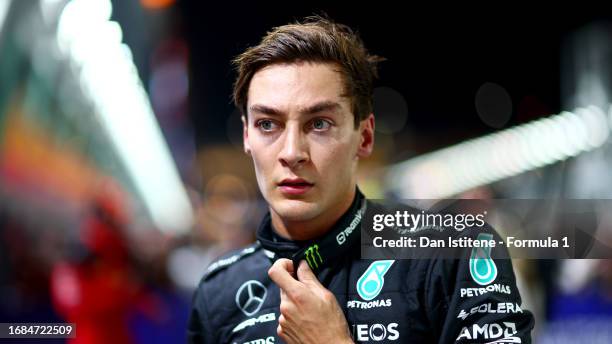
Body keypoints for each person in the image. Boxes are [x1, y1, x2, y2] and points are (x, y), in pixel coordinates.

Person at [187, 16, 534, 343]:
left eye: (319, 123)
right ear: (247, 137)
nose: (291, 152)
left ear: (364, 137)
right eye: (268, 124)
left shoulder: (454, 253)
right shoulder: (219, 290)